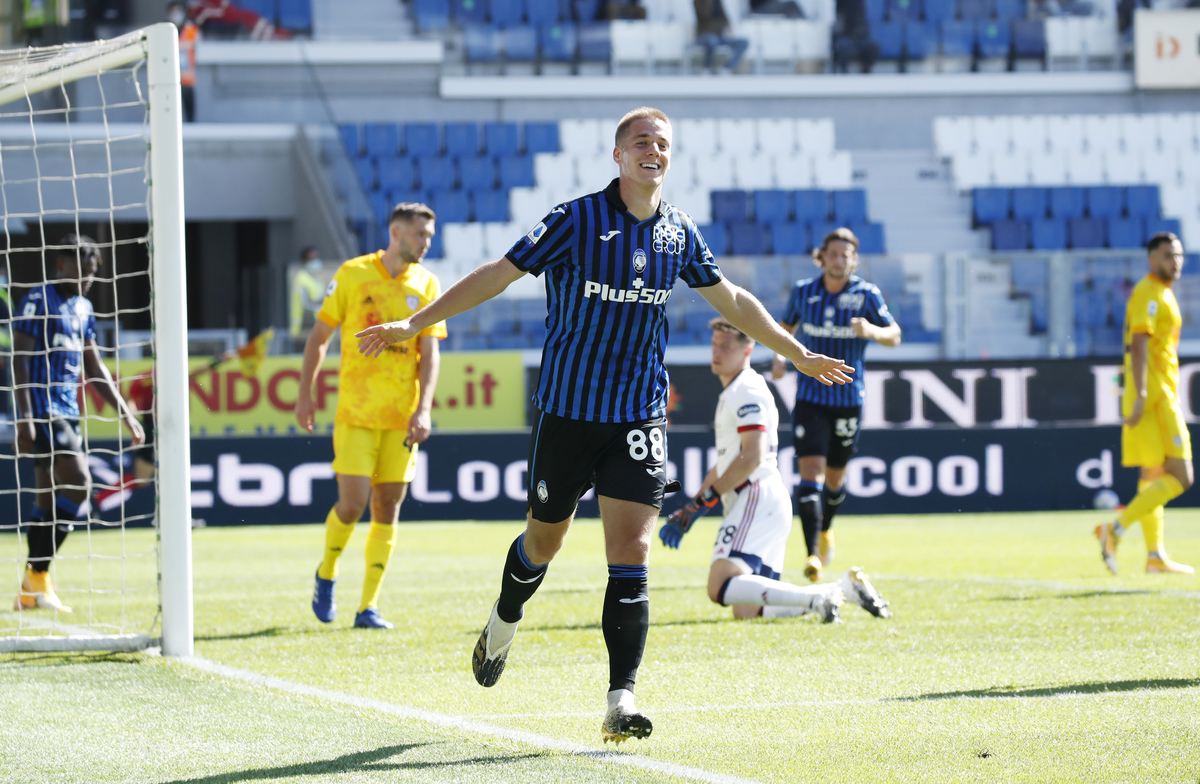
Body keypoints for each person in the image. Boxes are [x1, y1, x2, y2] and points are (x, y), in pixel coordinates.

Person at [354, 107, 853, 744]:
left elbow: (730, 298)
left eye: (662, 143)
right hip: (568, 412)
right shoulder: (575, 219)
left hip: (639, 414)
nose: (653, 150)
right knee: (544, 543)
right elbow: (498, 275)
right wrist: (415, 322)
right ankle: (505, 617)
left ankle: (621, 699)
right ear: (618, 155)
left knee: (632, 553)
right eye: (641, 141)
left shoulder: (679, 232)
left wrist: (795, 350)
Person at [659, 317, 891, 623]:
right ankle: (842, 590)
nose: (717, 352)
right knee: (747, 609)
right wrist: (693, 508)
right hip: (762, 499)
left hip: (755, 495)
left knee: (719, 586)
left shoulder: (746, 388)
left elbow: (752, 456)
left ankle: (818, 597)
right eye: (714, 345)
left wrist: (703, 502)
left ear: (747, 349)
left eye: (726, 346)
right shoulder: (735, 390)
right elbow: (726, 462)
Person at [297, 203, 445, 630]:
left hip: (401, 418)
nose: (426, 242)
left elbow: (430, 354)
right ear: (395, 232)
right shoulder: (352, 274)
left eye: (429, 236)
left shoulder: (427, 283)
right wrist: (305, 394)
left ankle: (368, 606)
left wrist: (423, 408)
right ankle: (327, 572)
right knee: (352, 504)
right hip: (357, 413)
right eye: (419, 234)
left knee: (387, 507)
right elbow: (319, 336)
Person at [12, 235, 145, 612]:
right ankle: (38, 575)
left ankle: (31, 588)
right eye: (82, 271)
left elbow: (94, 365)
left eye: (92, 273)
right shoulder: (39, 299)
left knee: (47, 498)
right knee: (80, 484)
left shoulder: (84, 307)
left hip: (69, 410)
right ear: (60, 264)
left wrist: (125, 413)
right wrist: (25, 417)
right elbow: (19, 359)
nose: (87, 279)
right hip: (43, 408)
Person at [771, 227, 901, 584]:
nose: (839, 260)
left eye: (846, 255)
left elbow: (894, 335)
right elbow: (784, 327)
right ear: (822, 257)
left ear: (854, 260)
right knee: (810, 472)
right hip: (810, 398)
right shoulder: (803, 292)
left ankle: (826, 528)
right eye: (833, 254)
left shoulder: (867, 295)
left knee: (834, 477)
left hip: (848, 400)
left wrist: (872, 331)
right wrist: (780, 357)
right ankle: (812, 553)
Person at [1096, 232, 1194, 575]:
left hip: (1158, 394)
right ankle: (1115, 529)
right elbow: (1138, 344)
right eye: (1168, 255)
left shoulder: (1163, 292)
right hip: (1155, 398)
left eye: (1178, 255)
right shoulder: (1148, 292)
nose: (1175, 261)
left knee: (1152, 476)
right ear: (1152, 259)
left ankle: (1154, 556)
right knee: (1182, 476)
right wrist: (1139, 396)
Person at [694, 0, 751, 73]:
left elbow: (725, 21)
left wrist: (728, 29)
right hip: (704, 36)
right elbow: (703, 15)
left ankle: (727, 68)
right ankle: (706, 68)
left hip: (720, 37)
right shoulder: (700, 2)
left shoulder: (719, 4)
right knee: (712, 40)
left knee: (744, 42)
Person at [168, 2, 198, 123]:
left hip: (186, 75)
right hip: (170, 76)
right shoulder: (165, 30)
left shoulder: (190, 28)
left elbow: (193, 44)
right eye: (174, 11)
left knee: (188, 106)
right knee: (171, 107)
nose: (177, 15)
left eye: (179, 11)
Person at [832, 0, 880, 73]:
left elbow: (863, 26)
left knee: (873, 47)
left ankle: (866, 70)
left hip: (859, 37)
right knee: (843, 46)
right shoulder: (839, 3)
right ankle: (843, 71)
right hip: (845, 36)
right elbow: (837, 25)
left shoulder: (859, 5)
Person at [290, 246, 326, 343]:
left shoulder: (317, 279)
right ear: (304, 261)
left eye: (316, 257)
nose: (315, 261)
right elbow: (305, 304)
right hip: (304, 326)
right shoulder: (301, 279)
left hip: (317, 324)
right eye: (311, 258)